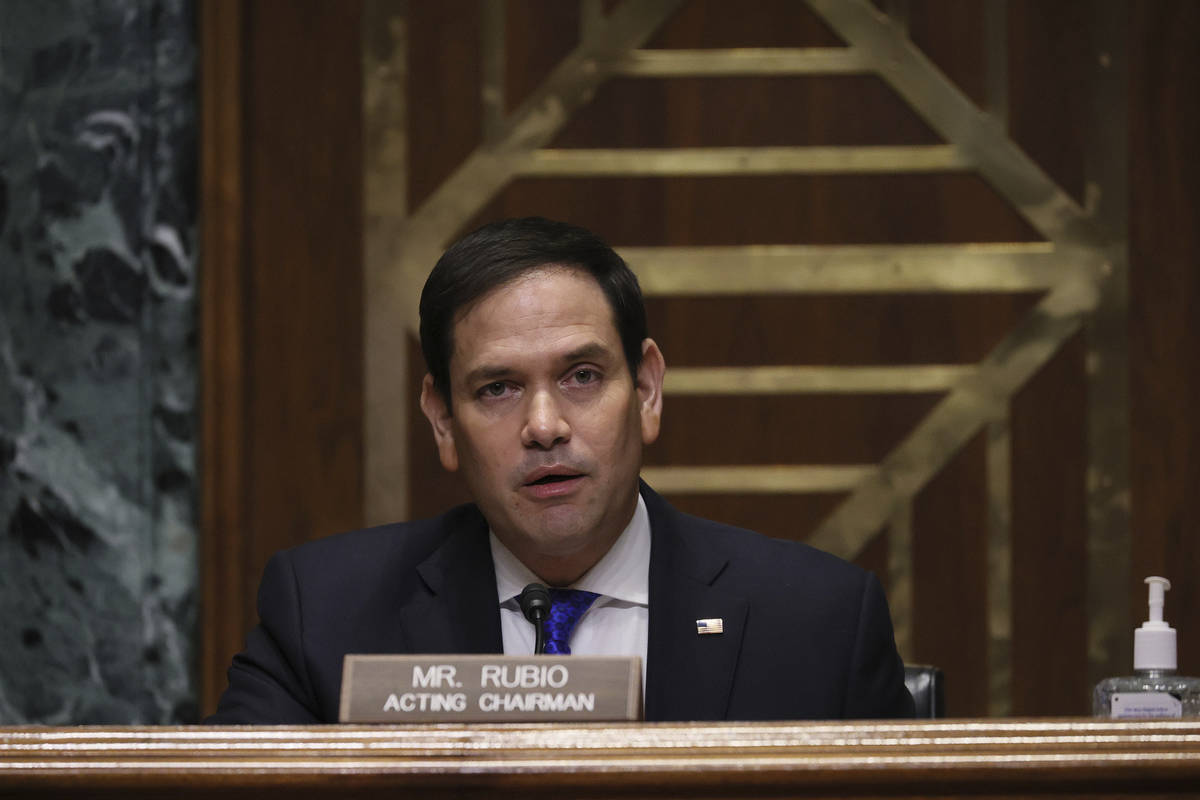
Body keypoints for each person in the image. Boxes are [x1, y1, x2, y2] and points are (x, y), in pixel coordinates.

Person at [208, 217, 914, 723]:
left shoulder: (817, 622)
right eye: (497, 389)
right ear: (442, 419)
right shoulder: (325, 615)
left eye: (581, 375)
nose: (544, 426)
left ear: (645, 390)